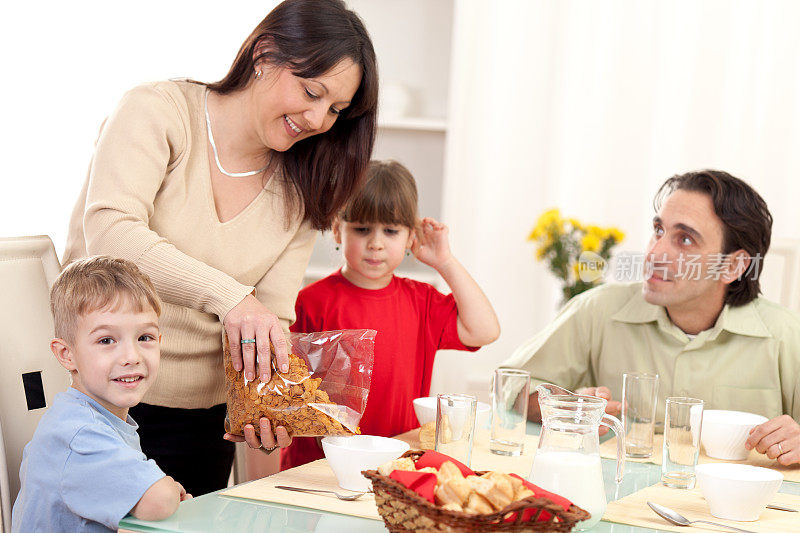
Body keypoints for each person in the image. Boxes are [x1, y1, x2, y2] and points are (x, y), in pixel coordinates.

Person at [62, 0, 378, 495]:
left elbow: (271, 316)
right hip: (100, 407)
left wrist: (267, 408)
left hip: (204, 424)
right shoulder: (159, 112)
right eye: (311, 91)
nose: (319, 119)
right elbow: (112, 232)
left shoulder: (303, 184)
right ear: (264, 52)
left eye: (336, 109)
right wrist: (230, 296)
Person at [503, 169, 800, 465]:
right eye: (659, 231)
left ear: (733, 266)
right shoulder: (597, 310)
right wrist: (568, 406)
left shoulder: (787, 336)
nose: (654, 253)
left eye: (685, 240)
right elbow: (513, 387)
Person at [281, 160, 501, 470]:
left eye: (391, 230)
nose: (376, 243)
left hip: (397, 464)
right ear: (337, 230)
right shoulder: (309, 302)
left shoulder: (421, 301)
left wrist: (445, 261)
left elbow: (485, 330)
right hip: (320, 468)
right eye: (362, 229)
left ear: (412, 237)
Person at [12, 256, 190, 532]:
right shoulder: (79, 434)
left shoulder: (88, 417)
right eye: (107, 340)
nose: (131, 356)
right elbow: (160, 502)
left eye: (145, 337)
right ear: (66, 354)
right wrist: (167, 487)